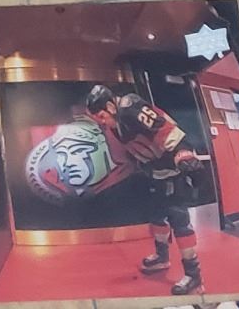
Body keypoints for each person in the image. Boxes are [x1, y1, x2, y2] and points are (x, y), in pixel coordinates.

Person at [83, 83, 211, 294]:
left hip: (173, 170)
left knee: (178, 219)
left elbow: (166, 131)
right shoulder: (114, 124)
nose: (102, 122)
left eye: (102, 116)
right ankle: (162, 257)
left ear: (110, 106)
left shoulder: (130, 107)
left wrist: (184, 154)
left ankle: (194, 276)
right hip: (156, 173)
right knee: (156, 216)